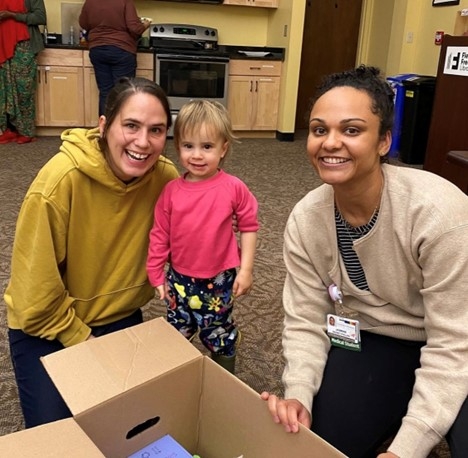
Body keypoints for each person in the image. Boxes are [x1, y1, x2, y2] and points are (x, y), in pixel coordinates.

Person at [261, 65, 468, 458]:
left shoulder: (439, 214)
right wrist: (299, 393)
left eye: (352, 130)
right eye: (320, 130)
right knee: (318, 439)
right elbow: (305, 319)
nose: (330, 142)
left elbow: (454, 343)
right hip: (384, 335)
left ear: (384, 141)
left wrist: (406, 448)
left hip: (460, 334)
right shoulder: (306, 219)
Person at [4, 77, 179, 428]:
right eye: (130, 125)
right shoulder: (58, 183)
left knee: (140, 429)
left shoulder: (165, 180)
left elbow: (184, 249)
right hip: (48, 328)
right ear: (104, 125)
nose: (142, 142)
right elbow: (33, 301)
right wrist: (89, 346)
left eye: (156, 130)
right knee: (62, 441)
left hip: (119, 316)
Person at [146, 100, 259, 374]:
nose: (197, 155)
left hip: (219, 279)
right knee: (178, 329)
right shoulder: (171, 191)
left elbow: (248, 226)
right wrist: (155, 272)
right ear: (178, 147)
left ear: (223, 149)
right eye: (188, 146)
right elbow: (160, 233)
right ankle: (178, 379)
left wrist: (246, 270)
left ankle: (225, 373)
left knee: (217, 333)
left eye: (207, 147)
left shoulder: (234, 188)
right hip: (180, 278)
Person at [79, 0, 151, 116]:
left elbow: (83, 23)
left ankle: (105, 130)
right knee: (123, 93)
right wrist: (145, 25)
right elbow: (134, 28)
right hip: (121, 50)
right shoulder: (125, 1)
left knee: (105, 92)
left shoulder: (90, 1)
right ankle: (122, 130)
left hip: (98, 50)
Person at [0, 0, 46, 144]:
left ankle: (26, 131)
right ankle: (6, 129)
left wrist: (12, 15)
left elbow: (40, 17)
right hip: (2, 45)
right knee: (4, 91)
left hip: (24, 45)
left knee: (23, 90)